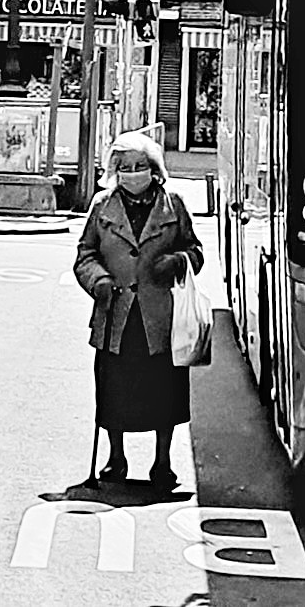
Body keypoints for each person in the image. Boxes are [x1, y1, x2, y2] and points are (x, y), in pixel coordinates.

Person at [74, 131, 203, 490]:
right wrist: (97, 281)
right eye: (125, 167)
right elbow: (85, 255)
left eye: (140, 166)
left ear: (154, 168)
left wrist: (177, 261)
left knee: (164, 391)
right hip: (116, 312)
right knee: (113, 390)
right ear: (115, 170)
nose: (133, 173)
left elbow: (195, 250)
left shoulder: (173, 204)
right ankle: (116, 459)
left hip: (158, 315)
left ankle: (162, 463)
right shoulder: (102, 206)